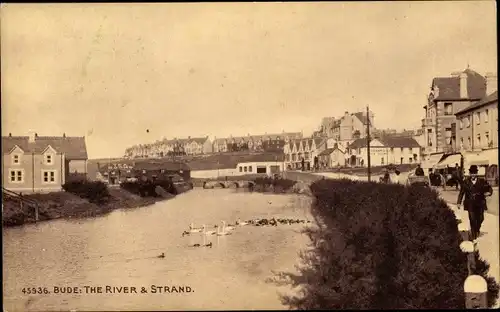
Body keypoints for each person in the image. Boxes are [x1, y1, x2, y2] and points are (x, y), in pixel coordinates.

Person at [457, 165, 493, 241]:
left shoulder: (482, 181)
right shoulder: (465, 182)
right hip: (470, 204)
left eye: (474, 173)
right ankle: (473, 235)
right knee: (472, 218)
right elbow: (461, 193)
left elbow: (489, 188)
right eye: (471, 173)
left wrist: (489, 193)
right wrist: (458, 202)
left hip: (480, 203)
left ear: (476, 173)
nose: (473, 175)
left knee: (481, 218)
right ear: (470, 174)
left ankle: (477, 229)